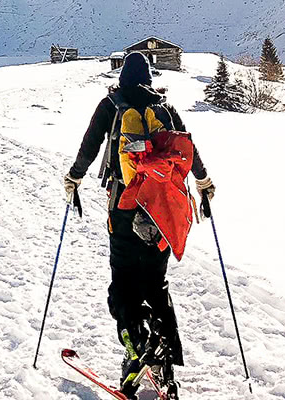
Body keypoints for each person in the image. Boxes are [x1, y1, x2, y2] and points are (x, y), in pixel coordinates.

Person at [62, 52, 216, 400]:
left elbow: (90, 145)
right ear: (149, 76)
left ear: (122, 78)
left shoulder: (111, 105)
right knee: (155, 282)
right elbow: (189, 150)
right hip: (163, 212)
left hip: (125, 207)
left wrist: (74, 177)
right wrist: (204, 183)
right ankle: (165, 362)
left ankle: (137, 347)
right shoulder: (165, 108)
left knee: (124, 284)